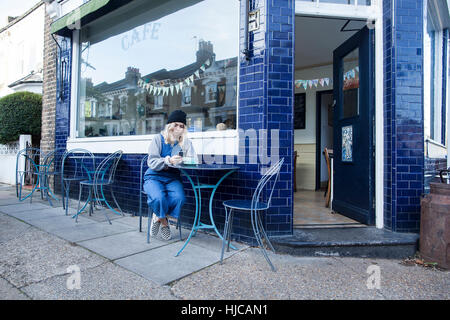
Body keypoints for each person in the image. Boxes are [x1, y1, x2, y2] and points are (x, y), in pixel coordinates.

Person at [143, 110, 197, 240]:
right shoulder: (158, 139)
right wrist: (168, 160)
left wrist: (184, 160)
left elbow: (194, 161)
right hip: (154, 176)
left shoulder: (186, 142)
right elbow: (151, 161)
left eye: (182, 126)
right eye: (176, 124)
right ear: (169, 125)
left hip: (173, 178)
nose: (178, 128)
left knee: (180, 198)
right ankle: (164, 222)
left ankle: (158, 216)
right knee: (159, 198)